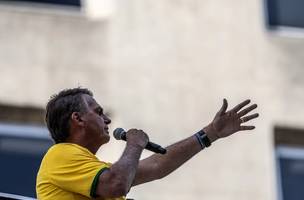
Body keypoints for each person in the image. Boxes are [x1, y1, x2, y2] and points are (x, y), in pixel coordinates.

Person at [36, 87, 259, 200]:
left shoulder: (89, 168)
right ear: (78, 119)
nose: (107, 120)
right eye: (99, 112)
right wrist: (134, 144)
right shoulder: (59, 155)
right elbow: (117, 184)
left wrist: (210, 133)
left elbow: (156, 167)